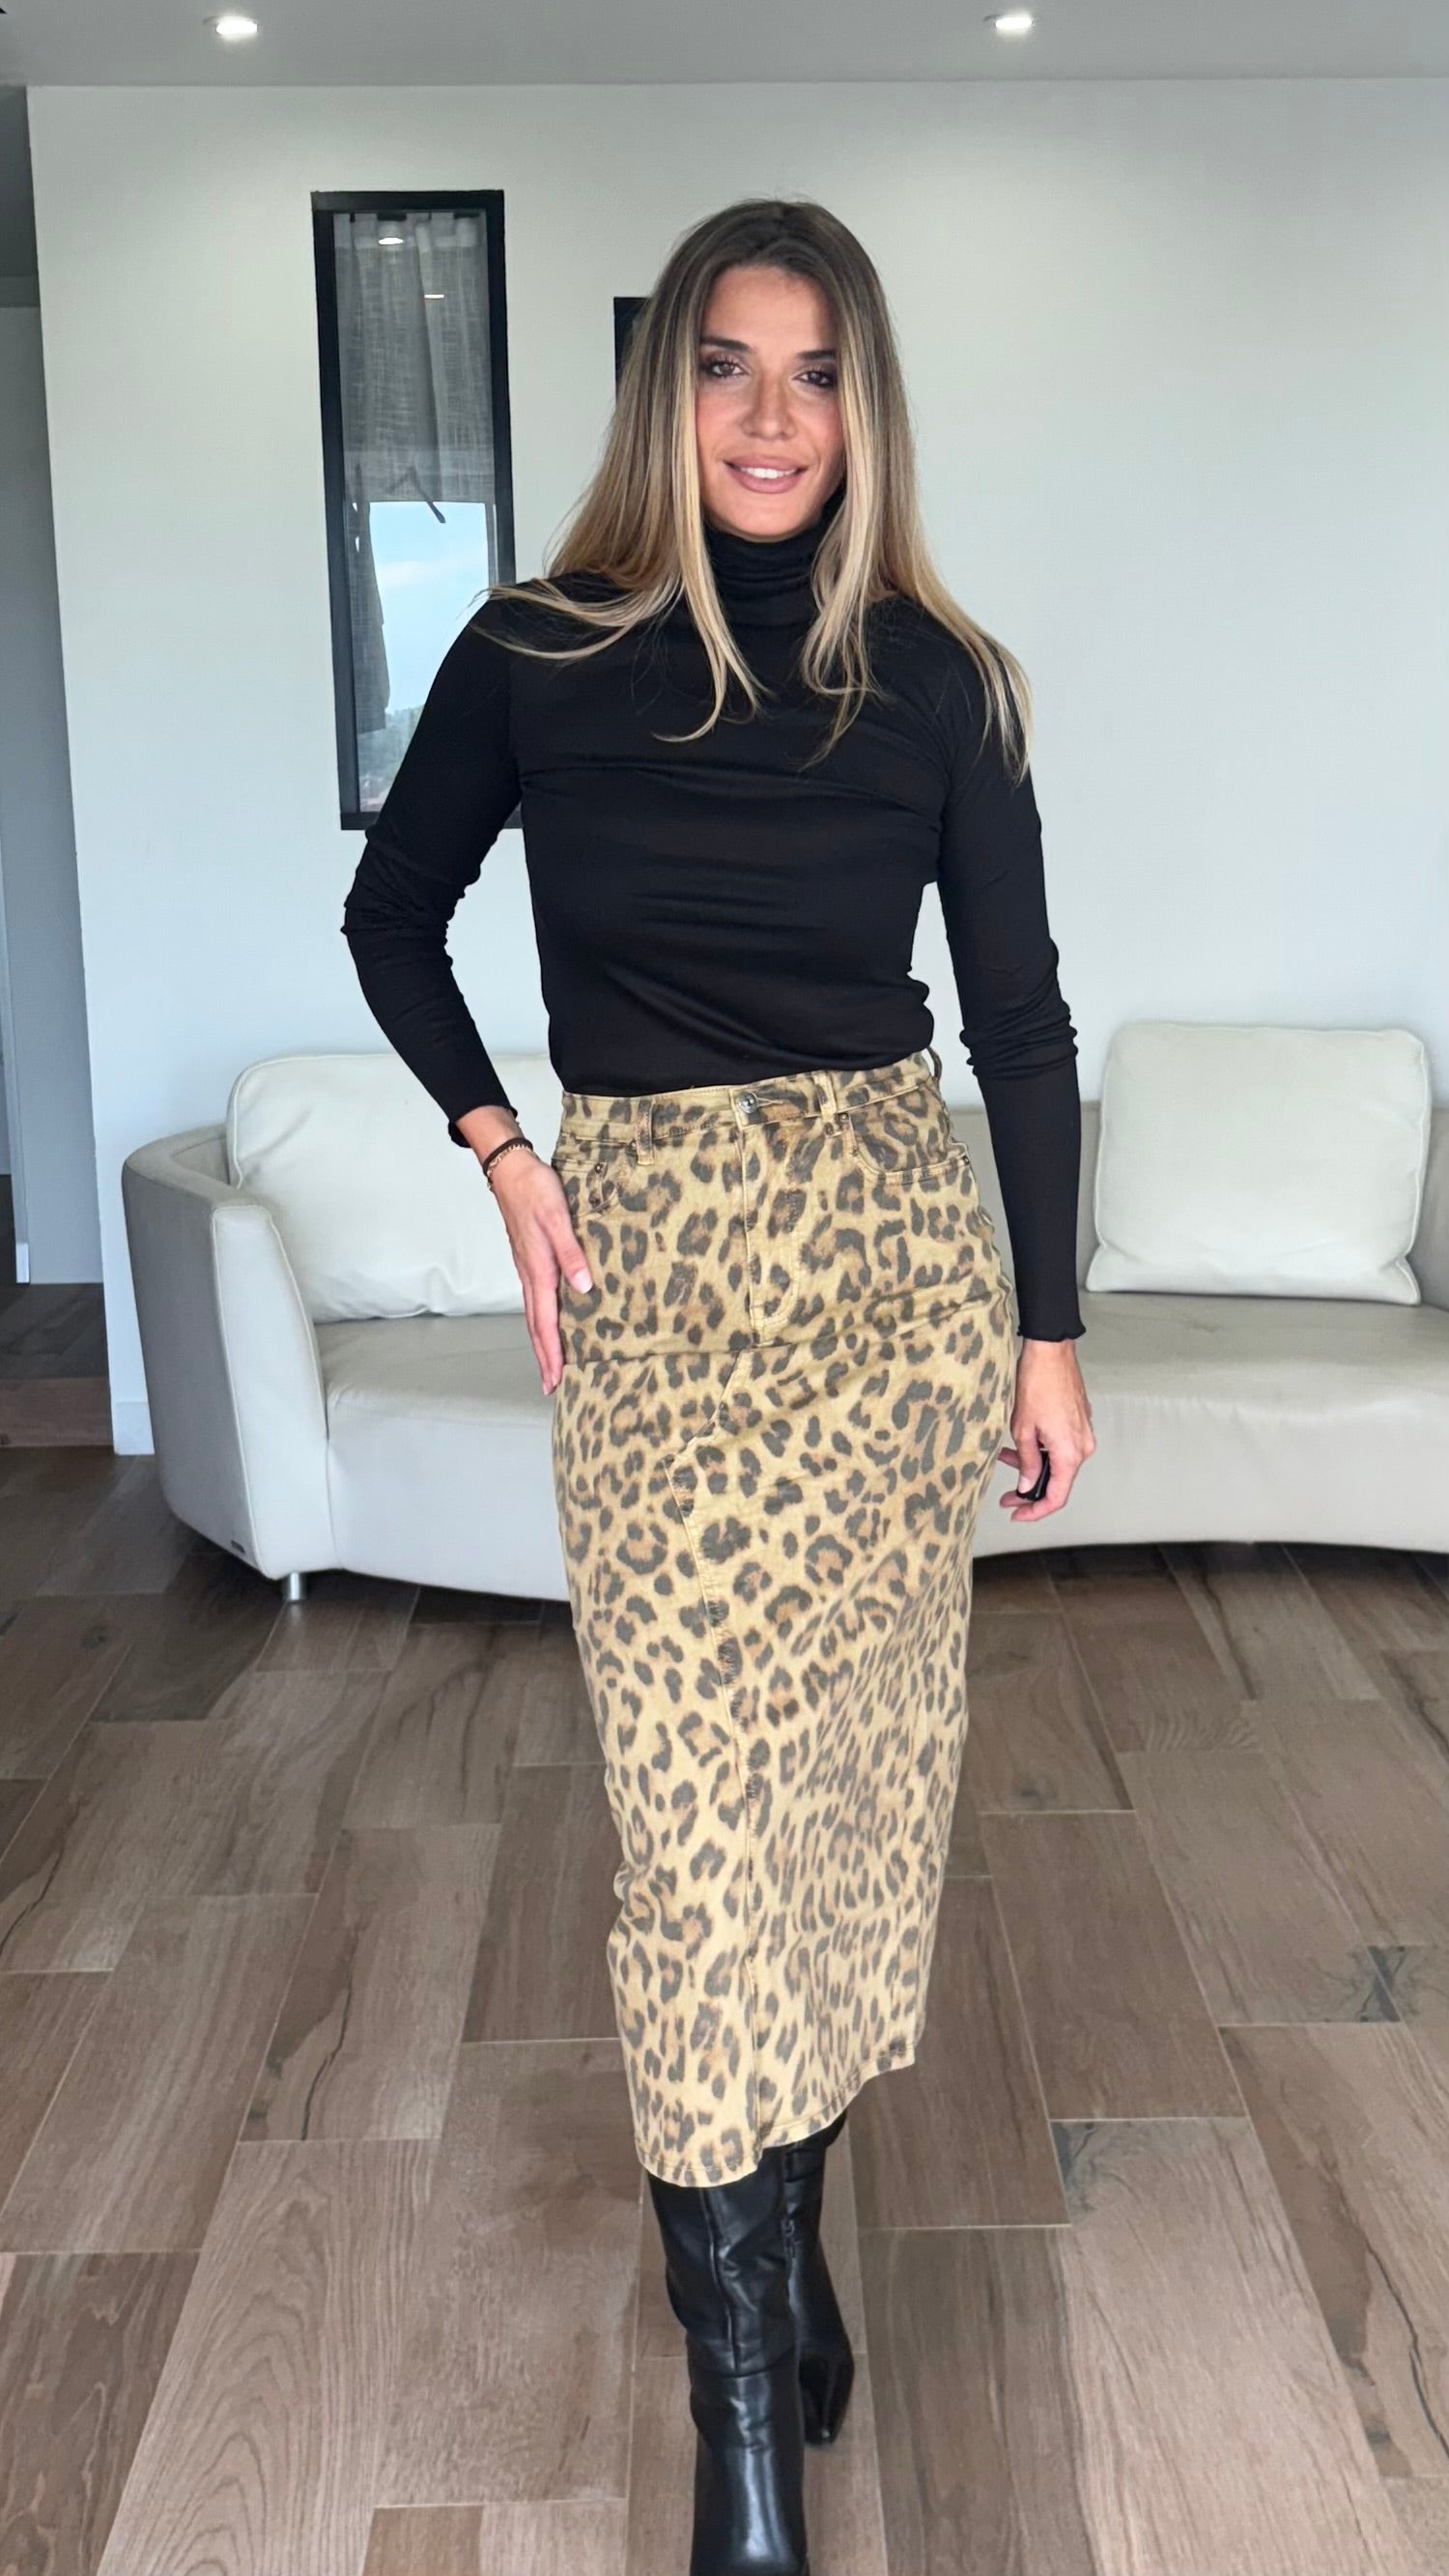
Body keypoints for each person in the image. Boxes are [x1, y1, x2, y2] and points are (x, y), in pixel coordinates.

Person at [342, 194, 1094, 2576]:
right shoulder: (537, 652)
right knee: (695, 1838)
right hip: (659, 1282)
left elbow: (1022, 1023)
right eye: (727, 365)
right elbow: (393, 914)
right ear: (664, 387)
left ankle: (792, 2261)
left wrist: (1049, 1327)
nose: (774, 416)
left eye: (819, 372)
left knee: (848, 1809)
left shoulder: (943, 682)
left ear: (867, 409)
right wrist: (501, 1149)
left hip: (886, 1277)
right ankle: (740, 2424)